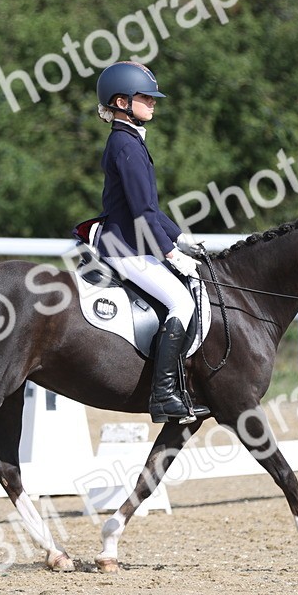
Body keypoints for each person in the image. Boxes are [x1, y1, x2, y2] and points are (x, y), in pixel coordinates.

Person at [93, 61, 211, 425]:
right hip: (125, 246)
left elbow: (152, 211)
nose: (153, 102)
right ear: (122, 101)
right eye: (145, 97)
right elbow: (143, 213)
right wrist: (171, 253)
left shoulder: (129, 141)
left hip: (134, 240)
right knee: (180, 301)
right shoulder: (126, 145)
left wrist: (180, 237)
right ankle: (164, 395)